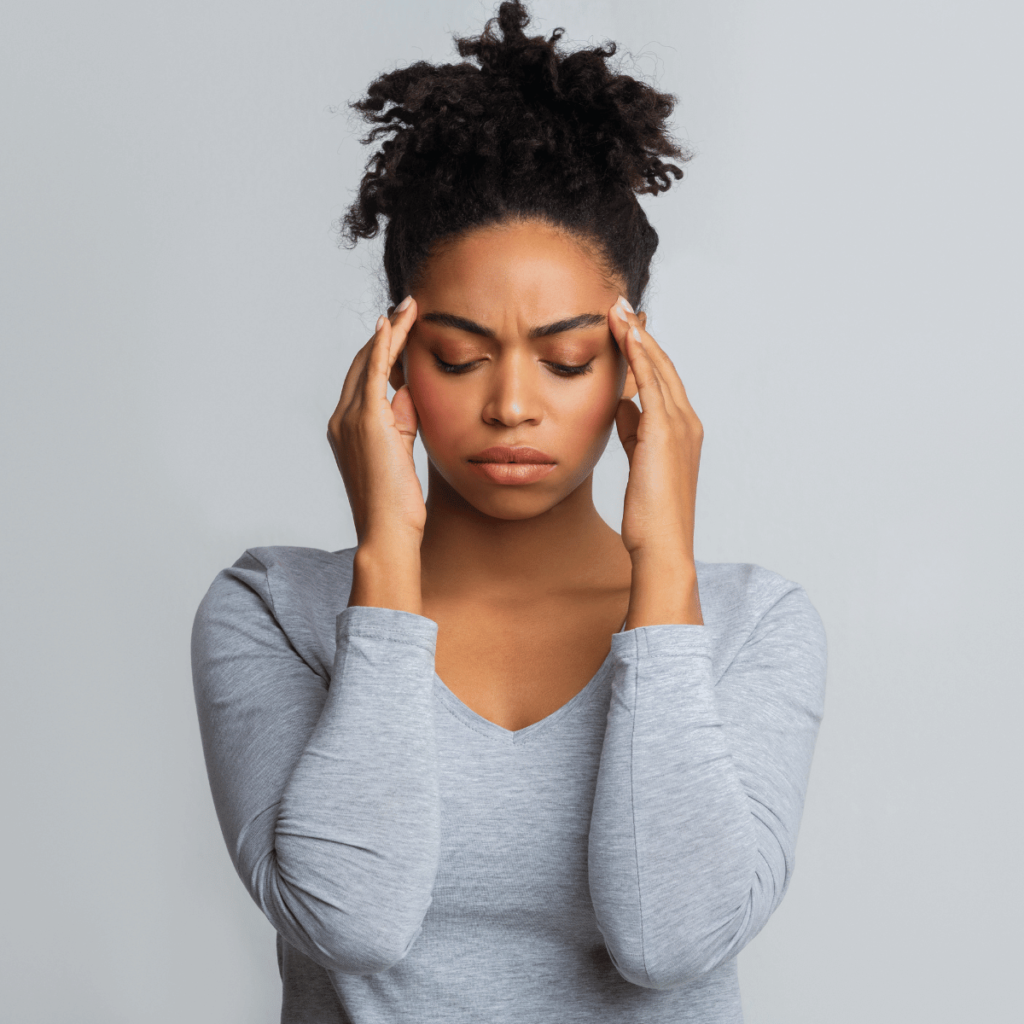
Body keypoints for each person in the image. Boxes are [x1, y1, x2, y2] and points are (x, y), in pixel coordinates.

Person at [190, 3, 827, 1021]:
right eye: (460, 355)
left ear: (632, 359)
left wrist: (663, 566)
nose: (515, 404)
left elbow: (671, 938)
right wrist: (387, 566)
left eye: (568, 358)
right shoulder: (273, 610)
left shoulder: (752, 626)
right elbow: (352, 917)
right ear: (392, 358)